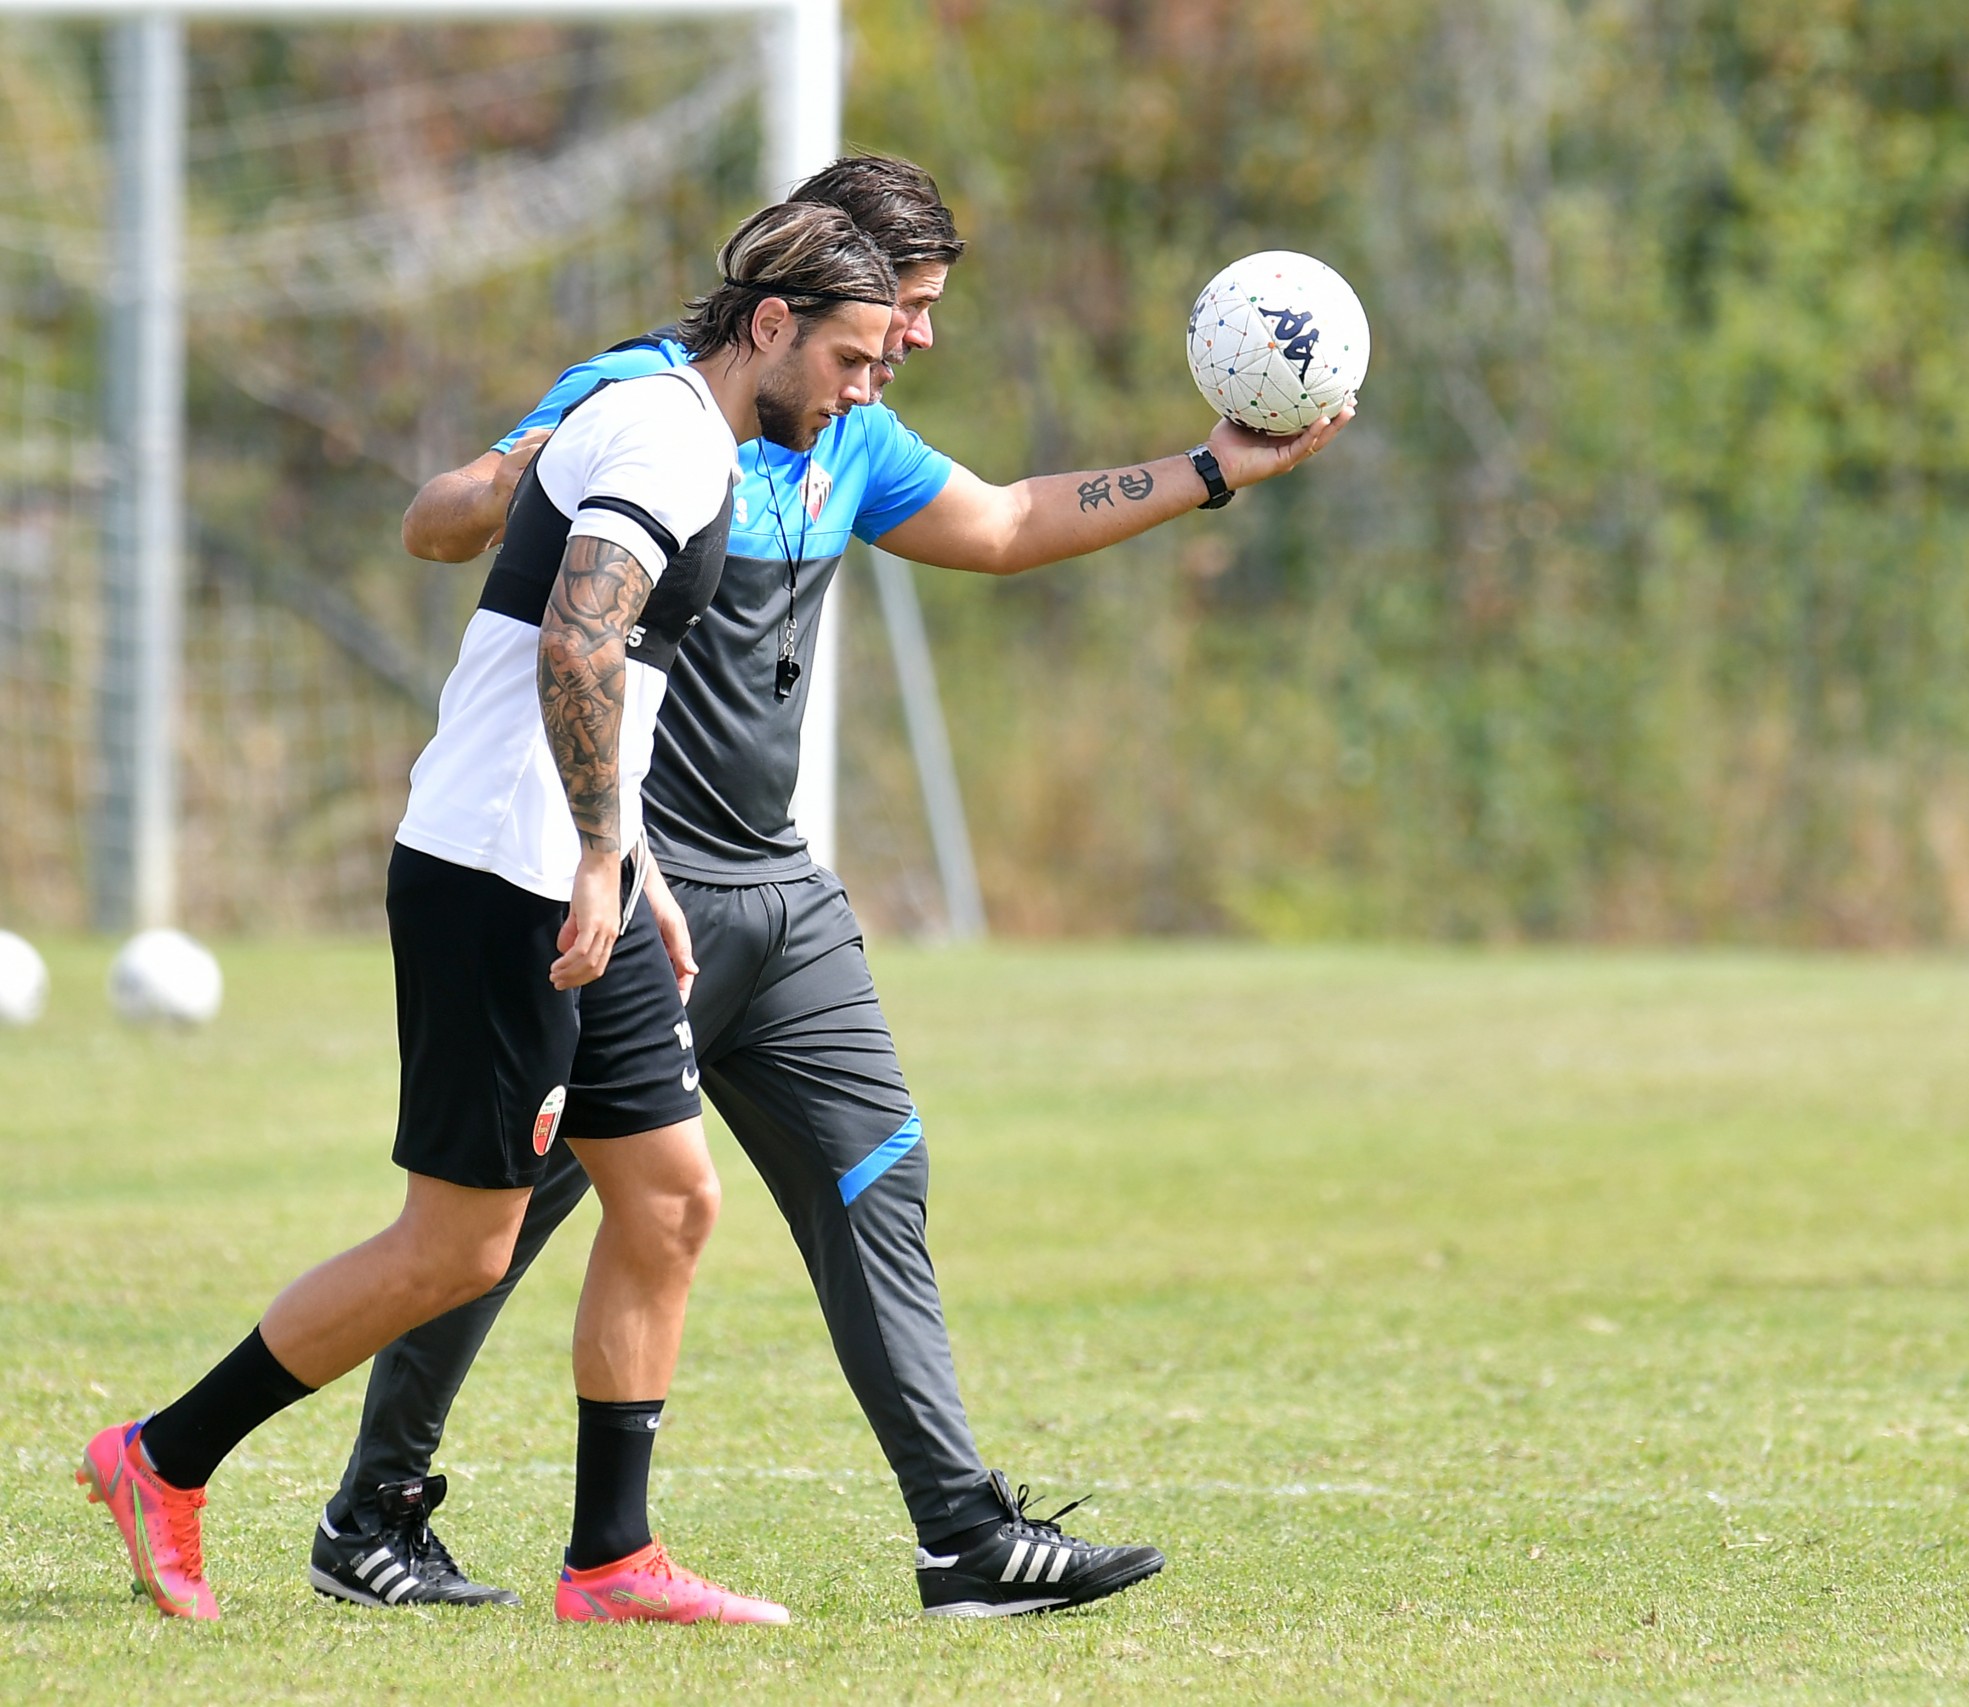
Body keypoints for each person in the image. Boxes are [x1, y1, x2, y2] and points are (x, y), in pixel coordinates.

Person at [309, 154, 1355, 1619]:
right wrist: (504, 476)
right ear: (800, 298)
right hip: (634, 898)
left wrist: (1208, 472)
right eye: (905, 309)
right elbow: (442, 525)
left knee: (876, 1173)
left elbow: (997, 526)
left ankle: (962, 1535)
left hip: (781, 898)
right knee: (505, 1209)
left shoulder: (847, 429)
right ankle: (375, 1509)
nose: (916, 341)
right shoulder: (649, 398)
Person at [79, 201, 901, 1625]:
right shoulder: (665, 435)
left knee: (668, 1197)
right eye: (853, 356)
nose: (864, 389)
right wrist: (597, 857)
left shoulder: (683, 427)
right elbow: (581, 636)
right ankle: (162, 1454)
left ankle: (613, 1557)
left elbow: (612, 674)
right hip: (502, 878)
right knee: (455, 1245)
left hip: (582, 869)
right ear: (769, 324)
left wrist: (632, 868)